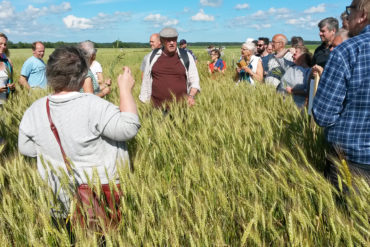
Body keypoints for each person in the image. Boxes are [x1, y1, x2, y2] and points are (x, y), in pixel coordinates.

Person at [18, 46, 141, 219]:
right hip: (98, 199)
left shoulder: (35, 109)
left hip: (57, 196)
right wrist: (125, 89)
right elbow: (128, 128)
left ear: (50, 75)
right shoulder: (94, 105)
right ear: (83, 74)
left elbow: (27, 149)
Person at [312, 0, 370, 185]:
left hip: (352, 161)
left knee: (347, 213)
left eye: (350, 11)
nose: (347, 16)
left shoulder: (348, 50)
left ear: (362, 15)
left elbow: (323, 115)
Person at [139, 27, 200, 108]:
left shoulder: (186, 56)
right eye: (168, 40)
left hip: (181, 109)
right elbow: (146, 80)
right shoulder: (152, 57)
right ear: (162, 41)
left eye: (174, 40)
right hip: (156, 109)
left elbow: (195, 80)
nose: (172, 43)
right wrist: (145, 102)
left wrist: (191, 96)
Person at [0, 33, 15, 105]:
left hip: (4, 103)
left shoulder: (8, 62)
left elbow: (10, 82)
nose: (3, 46)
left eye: (5, 44)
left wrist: (11, 87)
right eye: (0, 43)